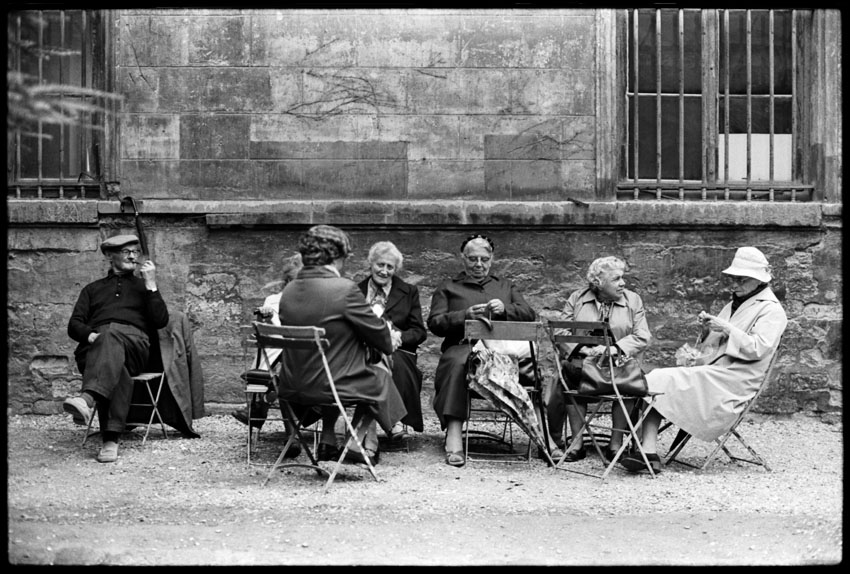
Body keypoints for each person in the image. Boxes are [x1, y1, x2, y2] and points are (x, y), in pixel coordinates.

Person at [620, 246, 787, 473]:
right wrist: (709, 329)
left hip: (735, 380)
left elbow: (757, 349)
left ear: (758, 280)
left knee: (663, 378)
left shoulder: (772, 311)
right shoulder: (733, 304)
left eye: (741, 279)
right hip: (716, 372)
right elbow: (714, 347)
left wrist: (725, 327)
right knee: (658, 377)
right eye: (733, 278)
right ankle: (646, 450)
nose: (734, 284)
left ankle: (646, 450)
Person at [278, 225, 407, 466]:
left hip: (290, 384)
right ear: (337, 257)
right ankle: (355, 440)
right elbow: (383, 340)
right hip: (330, 386)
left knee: (343, 365)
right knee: (380, 374)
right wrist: (390, 338)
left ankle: (329, 440)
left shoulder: (290, 290)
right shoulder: (344, 289)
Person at [427, 234, 537, 467]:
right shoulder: (448, 287)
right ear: (463, 259)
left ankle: (543, 437)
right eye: (473, 259)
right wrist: (463, 316)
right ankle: (454, 434)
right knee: (458, 363)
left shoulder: (505, 286)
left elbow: (529, 314)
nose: (479, 265)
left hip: (500, 350)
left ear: (492, 259)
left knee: (534, 368)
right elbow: (435, 323)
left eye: (484, 259)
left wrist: (505, 308)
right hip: (463, 346)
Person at [63, 234, 169, 463]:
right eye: (126, 251)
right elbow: (74, 325)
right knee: (114, 360)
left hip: (134, 348)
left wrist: (152, 285)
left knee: (111, 337)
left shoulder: (144, 287)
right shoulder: (92, 289)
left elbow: (160, 321)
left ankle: (88, 398)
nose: (133, 256)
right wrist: (91, 336)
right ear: (110, 256)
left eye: (136, 251)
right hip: (95, 349)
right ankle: (110, 439)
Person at [546, 256, 652, 463]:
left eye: (623, 278)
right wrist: (584, 350)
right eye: (616, 279)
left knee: (629, 381)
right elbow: (560, 330)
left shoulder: (633, 300)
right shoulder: (577, 298)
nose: (623, 283)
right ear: (598, 282)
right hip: (584, 363)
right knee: (568, 371)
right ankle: (577, 442)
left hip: (619, 362)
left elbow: (643, 335)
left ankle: (616, 443)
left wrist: (614, 349)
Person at [357, 241, 428, 441]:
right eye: (381, 265)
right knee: (371, 363)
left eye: (390, 267)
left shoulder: (408, 291)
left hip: (397, 350)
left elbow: (419, 332)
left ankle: (367, 434)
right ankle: (389, 423)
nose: (385, 271)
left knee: (388, 362)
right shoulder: (355, 291)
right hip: (361, 350)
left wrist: (397, 336)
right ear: (371, 264)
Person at [231, 253, 303, 429]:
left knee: (284, 364)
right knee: (280, 353)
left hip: (304, 364)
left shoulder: (315, 303)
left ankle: (260, 406)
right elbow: (268, 335)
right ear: (287, 282)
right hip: (279, 362)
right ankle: (288, 433)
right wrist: (267, 320)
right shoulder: (272, 301)